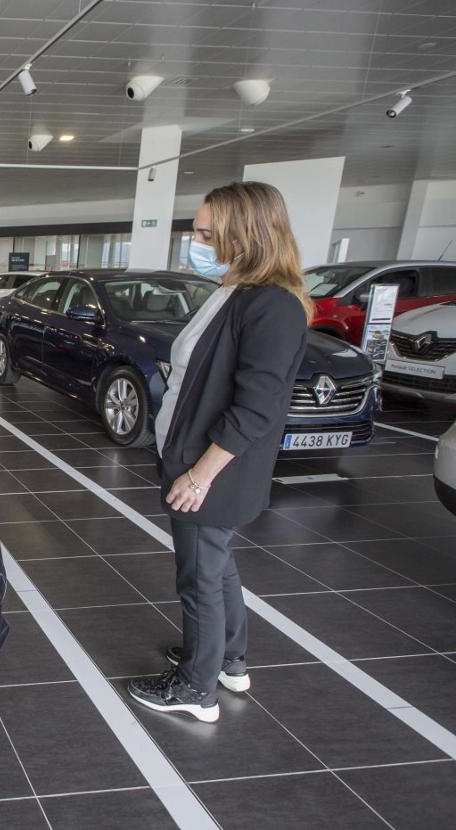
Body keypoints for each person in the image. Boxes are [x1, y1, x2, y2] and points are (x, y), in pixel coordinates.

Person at [127, 181, 313, 724]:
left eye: (209, 233)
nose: (197, 241)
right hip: (194, 457)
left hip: (213, 468)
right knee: (217, 564)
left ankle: (196, 687)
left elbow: (256, 407)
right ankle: (227, 660)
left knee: (200, 576)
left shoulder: (273, 305)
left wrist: (201, 475)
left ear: (246, 233)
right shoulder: (238, 290)